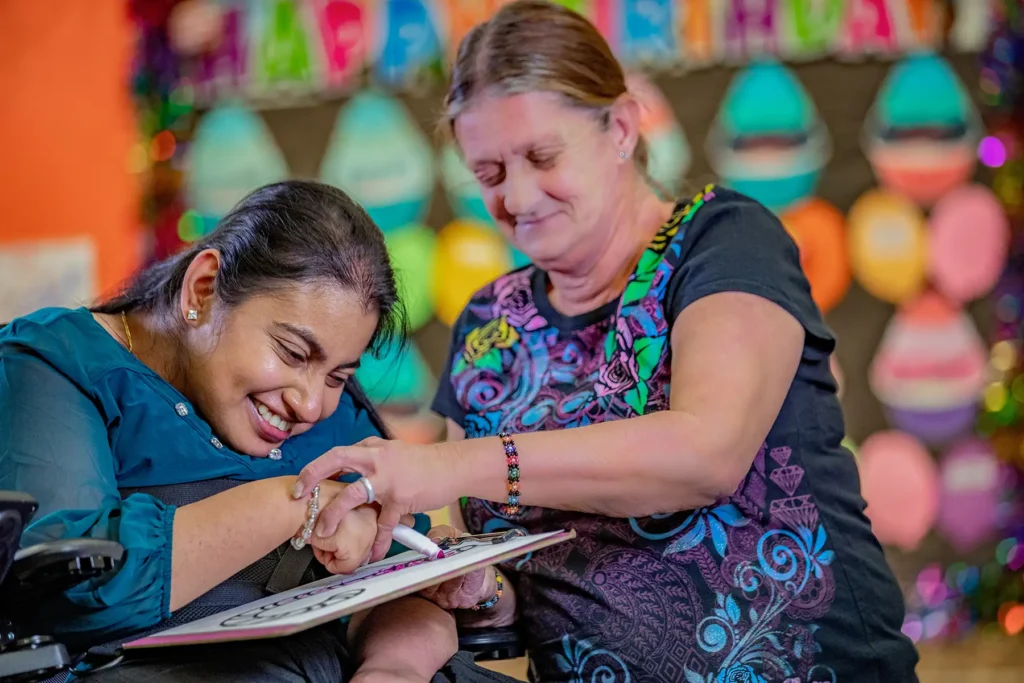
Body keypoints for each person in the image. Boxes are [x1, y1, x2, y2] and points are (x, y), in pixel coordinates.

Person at [294, 2, 921, 682]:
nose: (519, 196)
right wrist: (480, 590)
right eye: (491, 172)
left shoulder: (722, 241)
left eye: (541, 156)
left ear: (621, 127)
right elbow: (513, 588)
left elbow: (705, 452)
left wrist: (456, 465)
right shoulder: (488, 322)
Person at [0, 181, 518, 683]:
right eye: (293, 353)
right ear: (202, 290)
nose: (311, 404)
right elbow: (69, 591)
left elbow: (401, 575)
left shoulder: (330, 413)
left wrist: (393, 668)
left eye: (339, 376)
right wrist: (299, 505)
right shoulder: (55, 366)